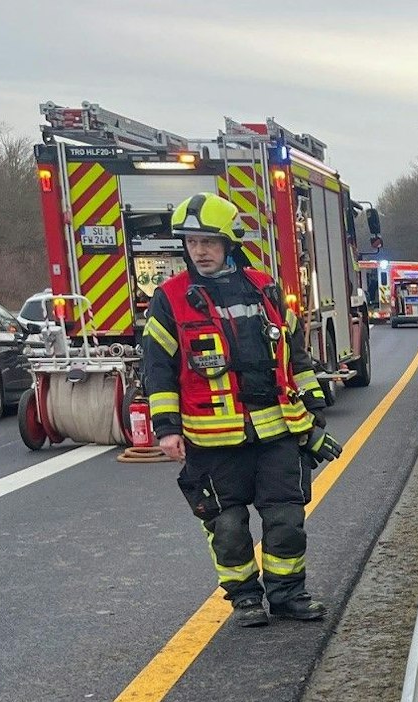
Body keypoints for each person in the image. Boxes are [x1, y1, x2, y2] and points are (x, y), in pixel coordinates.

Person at [141, 193, 340, 629]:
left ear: (229, 243)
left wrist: (313, 408)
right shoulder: (170, 299)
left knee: (286, 518)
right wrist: (166, 428)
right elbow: (157, 369)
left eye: (209, 242)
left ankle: (288, 595)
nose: (200, 251)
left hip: (276, 433)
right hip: (211, 439)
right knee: (227, 526)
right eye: (192, 242)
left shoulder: (264, 288)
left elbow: (294, 356)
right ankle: (246, 597)